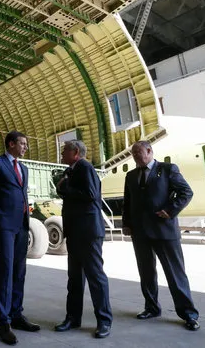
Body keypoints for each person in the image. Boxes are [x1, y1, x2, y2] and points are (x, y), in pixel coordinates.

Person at [122, 141, 200, 331]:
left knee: (175, 274)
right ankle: (152, 308)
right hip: (140, 233)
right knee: (146, 273)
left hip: (164, 232)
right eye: (133, 154)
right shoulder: (131, 176)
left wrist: (171, 210)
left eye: (138, 153)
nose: (135, 157)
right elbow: (128, 201)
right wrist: (126, 223)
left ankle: (189, 314)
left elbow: (186, 192)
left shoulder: (167, 169)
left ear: (149, 151)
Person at [0, 131, 40, 345]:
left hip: (22, 226)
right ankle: (3, 322)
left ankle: (16, 314)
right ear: (11, 144)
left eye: (26, 143)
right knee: (5, 272)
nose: (25, 147)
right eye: (22, 143)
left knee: (19, 272)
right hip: (4, 226)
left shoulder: (23, 168)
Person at [54, 140, 113, 339]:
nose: (62, 154)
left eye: (65, 151)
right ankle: (72, 318)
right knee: (75, 279)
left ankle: (104, 321)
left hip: (88, 233)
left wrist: (65, 187)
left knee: (95, 278)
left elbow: (90, 194)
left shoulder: (85, 168)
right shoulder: (72, 170)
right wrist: (64, 185)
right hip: (76, 232)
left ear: (76, 152)